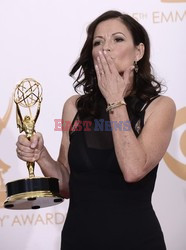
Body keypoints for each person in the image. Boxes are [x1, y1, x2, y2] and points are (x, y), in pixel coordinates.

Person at [16, 10, 176, 250]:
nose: (106, 48)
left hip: (136, 241)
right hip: (77, 240)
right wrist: (41, 155)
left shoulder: (159, 107)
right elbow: (67, 185)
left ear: (139, 52)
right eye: (98, 42)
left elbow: (133, 170)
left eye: (118, 39)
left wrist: (114, 98)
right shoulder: (75, 107)